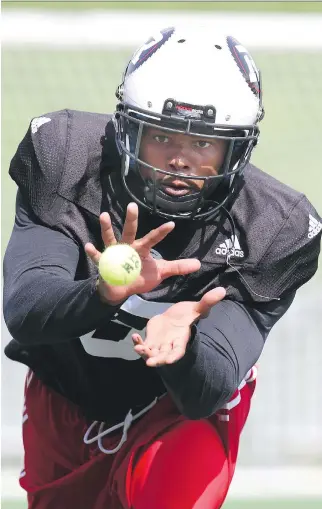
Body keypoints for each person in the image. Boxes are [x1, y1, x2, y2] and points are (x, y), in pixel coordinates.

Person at [3, 25, 321, 509]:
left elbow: (205, 392)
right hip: (67, 396)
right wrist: (102, 293)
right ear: (129, 130)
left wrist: (184, 344)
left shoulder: (273, 226)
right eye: (162, 136)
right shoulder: (67, 159)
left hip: (178, 414)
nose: (181, 160)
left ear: (236, 150)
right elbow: (26, 311)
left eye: (204, 145)